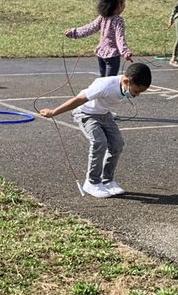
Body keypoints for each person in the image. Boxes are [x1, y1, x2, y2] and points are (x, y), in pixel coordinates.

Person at [39, 61, 153, 199]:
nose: (136, 95)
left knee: (117, 144)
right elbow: (79, 99)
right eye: (136, 91)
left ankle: (107, 180)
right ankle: (92, 182)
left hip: (104, 114)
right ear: (125, 81)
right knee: (99, 142)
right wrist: (53, 112)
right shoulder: (105, 85)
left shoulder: (125, 85)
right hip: (85, 113)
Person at [64, 0, 133, 76]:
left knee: (102, 80)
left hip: (101, 54)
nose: (124, 6)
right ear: (117, 5)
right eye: (123, 3)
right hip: (112, 56)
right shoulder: (118, 20)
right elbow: (119, 38)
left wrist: (74, 32)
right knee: (108, 81)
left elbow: (89, 28)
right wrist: (125, 52)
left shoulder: (103, 17)